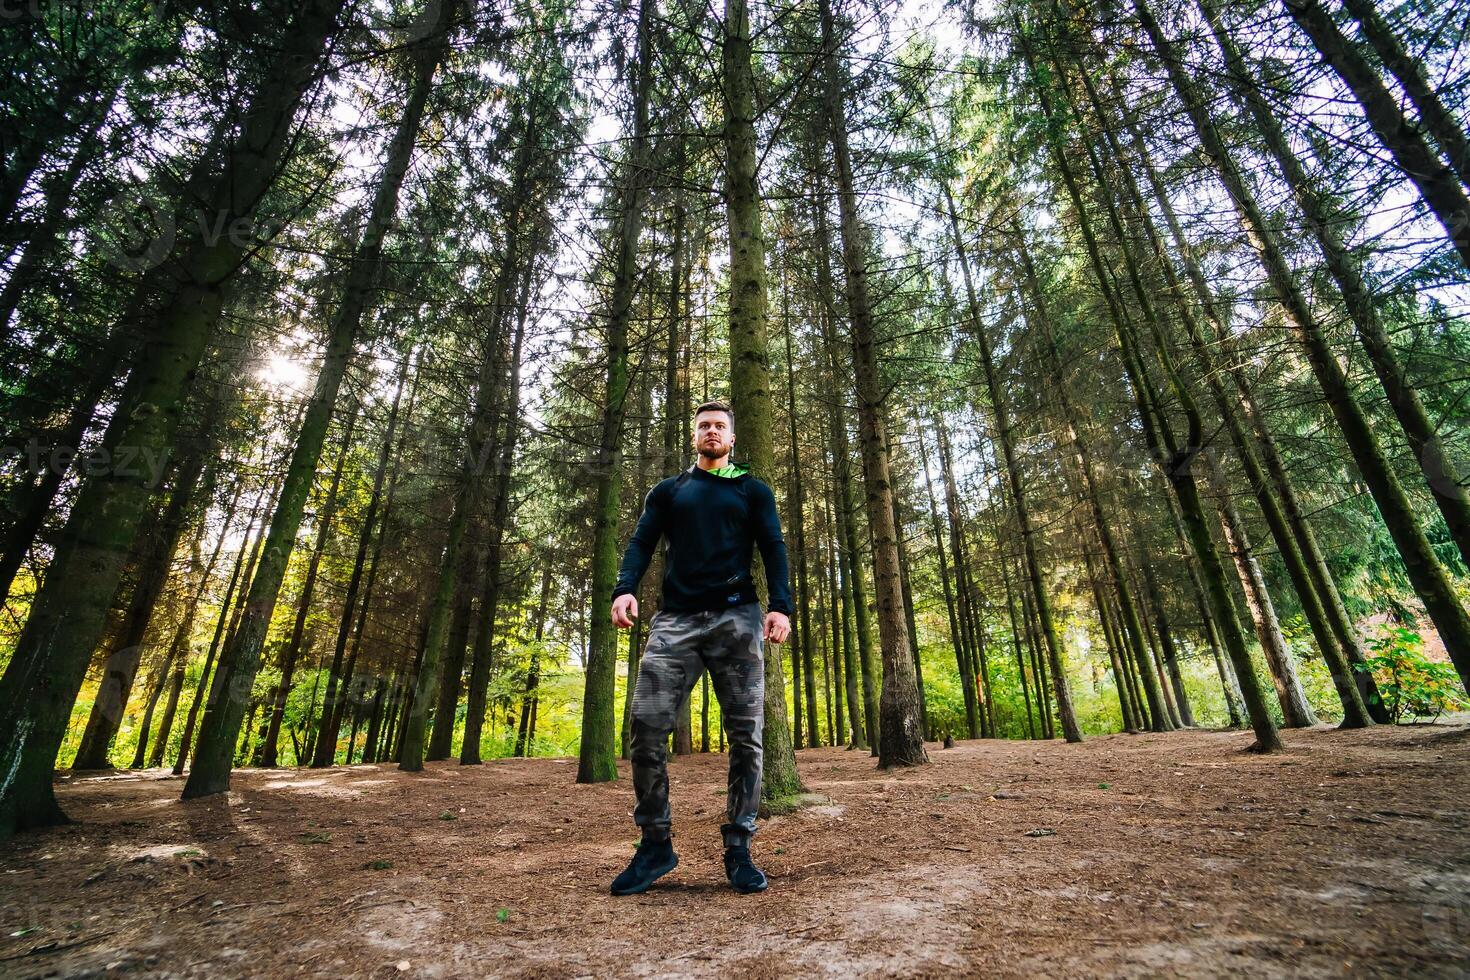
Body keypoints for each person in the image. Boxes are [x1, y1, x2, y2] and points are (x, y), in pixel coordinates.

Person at [607, 399, 793, 895]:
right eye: (704, 426)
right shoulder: (669, 492)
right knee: (645, 728)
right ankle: (655, 845)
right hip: (675, 621)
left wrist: (782, 606)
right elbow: (641, 542)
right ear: (694, 437)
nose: (711, 432)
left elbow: (773, 546)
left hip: (738, 618)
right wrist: (624, 587)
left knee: (747, 737)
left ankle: (739, 847)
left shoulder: (753, 490)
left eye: (720, 427)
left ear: (732, 439)